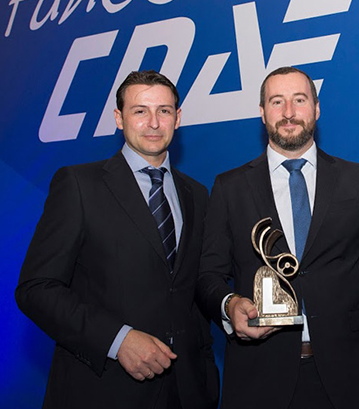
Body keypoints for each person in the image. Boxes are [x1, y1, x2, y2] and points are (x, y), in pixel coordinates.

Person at [196, 66, 359, 409]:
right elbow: (208, 275)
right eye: (277, 101)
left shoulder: (357, 181)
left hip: (351, 377)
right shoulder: (229, 187)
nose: (289, 112)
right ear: (262, 112)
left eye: (299, 100)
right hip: (259, 377)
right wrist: (229, 304)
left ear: (317, 108)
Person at [16, 70, 219, 409]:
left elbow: (192, 286)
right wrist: (117, 339)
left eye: (164, 111)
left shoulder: (196, 194)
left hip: (187, 390)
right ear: (119, 118)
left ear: (178, 118)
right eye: (140, 111)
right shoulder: (79, 186)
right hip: (102, 389)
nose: (153, 122)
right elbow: (36, 289)